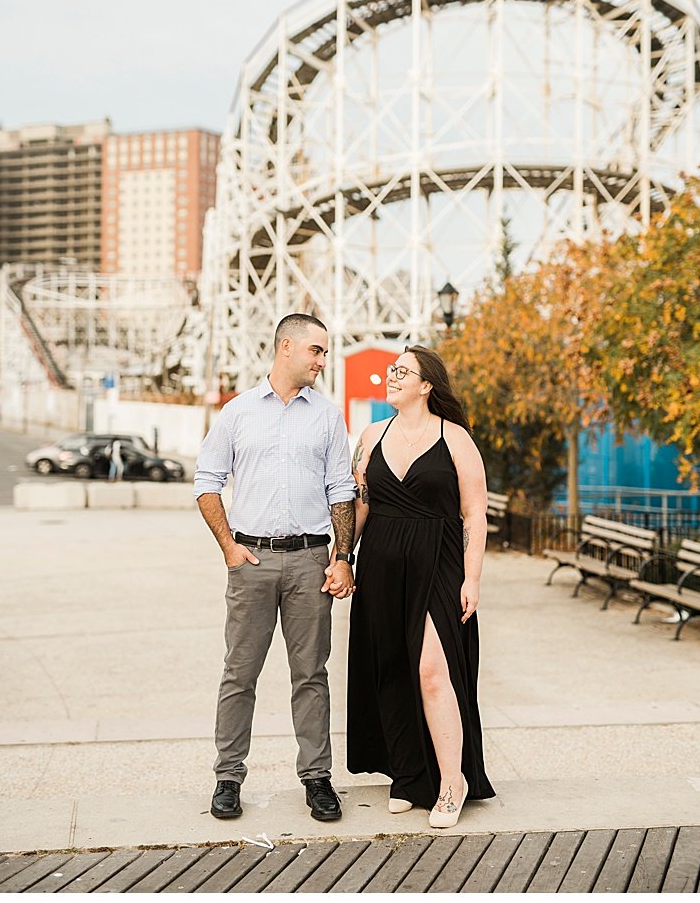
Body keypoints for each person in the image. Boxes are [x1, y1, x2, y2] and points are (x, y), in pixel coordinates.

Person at [194, 314, 357, 823]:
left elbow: (342, 491)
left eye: (324, 352)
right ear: (286, 347)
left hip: (311, 560)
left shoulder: (327, 417)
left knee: (311, 675)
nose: (322, 361)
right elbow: (206, 482)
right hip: (252, 560)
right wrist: (228, 547)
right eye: (316, 350)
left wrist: (342, 557)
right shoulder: (238, 412)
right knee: (239, 674)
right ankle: (227, 778)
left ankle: (317, 778)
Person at [346, 346, 495, 828]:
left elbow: (474, 512)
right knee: (391, 667)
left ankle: (453, 782)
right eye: (392, 370)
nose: (391, 376)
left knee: (433, 669)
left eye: (402, 371)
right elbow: (361, 505)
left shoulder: (455, 439)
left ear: (426, 385)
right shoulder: (371, 436)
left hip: (439, 561)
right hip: (382, 564)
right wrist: (341, 556)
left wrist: (472, 577)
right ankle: (409, 775)